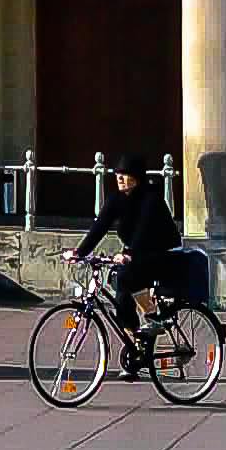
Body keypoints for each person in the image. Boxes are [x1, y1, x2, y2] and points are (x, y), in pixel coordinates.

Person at [71, 153, 181, 377]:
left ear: (138, 177)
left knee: (126, 276)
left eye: (126, 174)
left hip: (163, 254)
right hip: (138, 255)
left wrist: (129, 253)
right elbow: (99, 226)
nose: (120, 178)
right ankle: (135, 350)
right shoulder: (116, 200)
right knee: (120, 291)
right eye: (118, 174)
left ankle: (156, 317)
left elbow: (144, 230)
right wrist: (79, 252)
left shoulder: (151, 198)